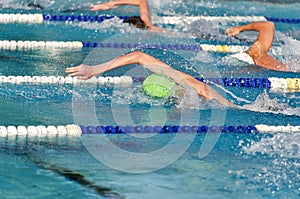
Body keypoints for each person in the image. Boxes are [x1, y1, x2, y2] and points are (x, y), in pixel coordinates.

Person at [65, 51, 235, 107]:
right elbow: (139, 56)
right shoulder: (177, 77)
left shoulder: (193, 90)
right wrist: (95, 69)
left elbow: (187, 100)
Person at [90, 0, 163, 32]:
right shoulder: (147, 22)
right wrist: (112, 4)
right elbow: (142, 1)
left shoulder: (150, 27)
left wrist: (112, 3)